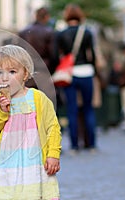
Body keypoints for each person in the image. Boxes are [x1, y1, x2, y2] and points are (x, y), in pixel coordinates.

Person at [0, 45, 61, 199]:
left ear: (25, 74)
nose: (5, 77)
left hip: (35, 165)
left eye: (12, 72)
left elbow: (52, 127)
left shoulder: (38, 98)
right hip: (8, 166)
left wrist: (53, 155)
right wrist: (1, 113)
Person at [55, 4, 97, 153]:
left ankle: (74, 146)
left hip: (69, 74)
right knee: (88, 109)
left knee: (71, 110)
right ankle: (91, 144)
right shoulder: (87, 32)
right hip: (86, 71)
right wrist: (94, 71)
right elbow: (92, 54)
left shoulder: (61, 34)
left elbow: (56, 55)